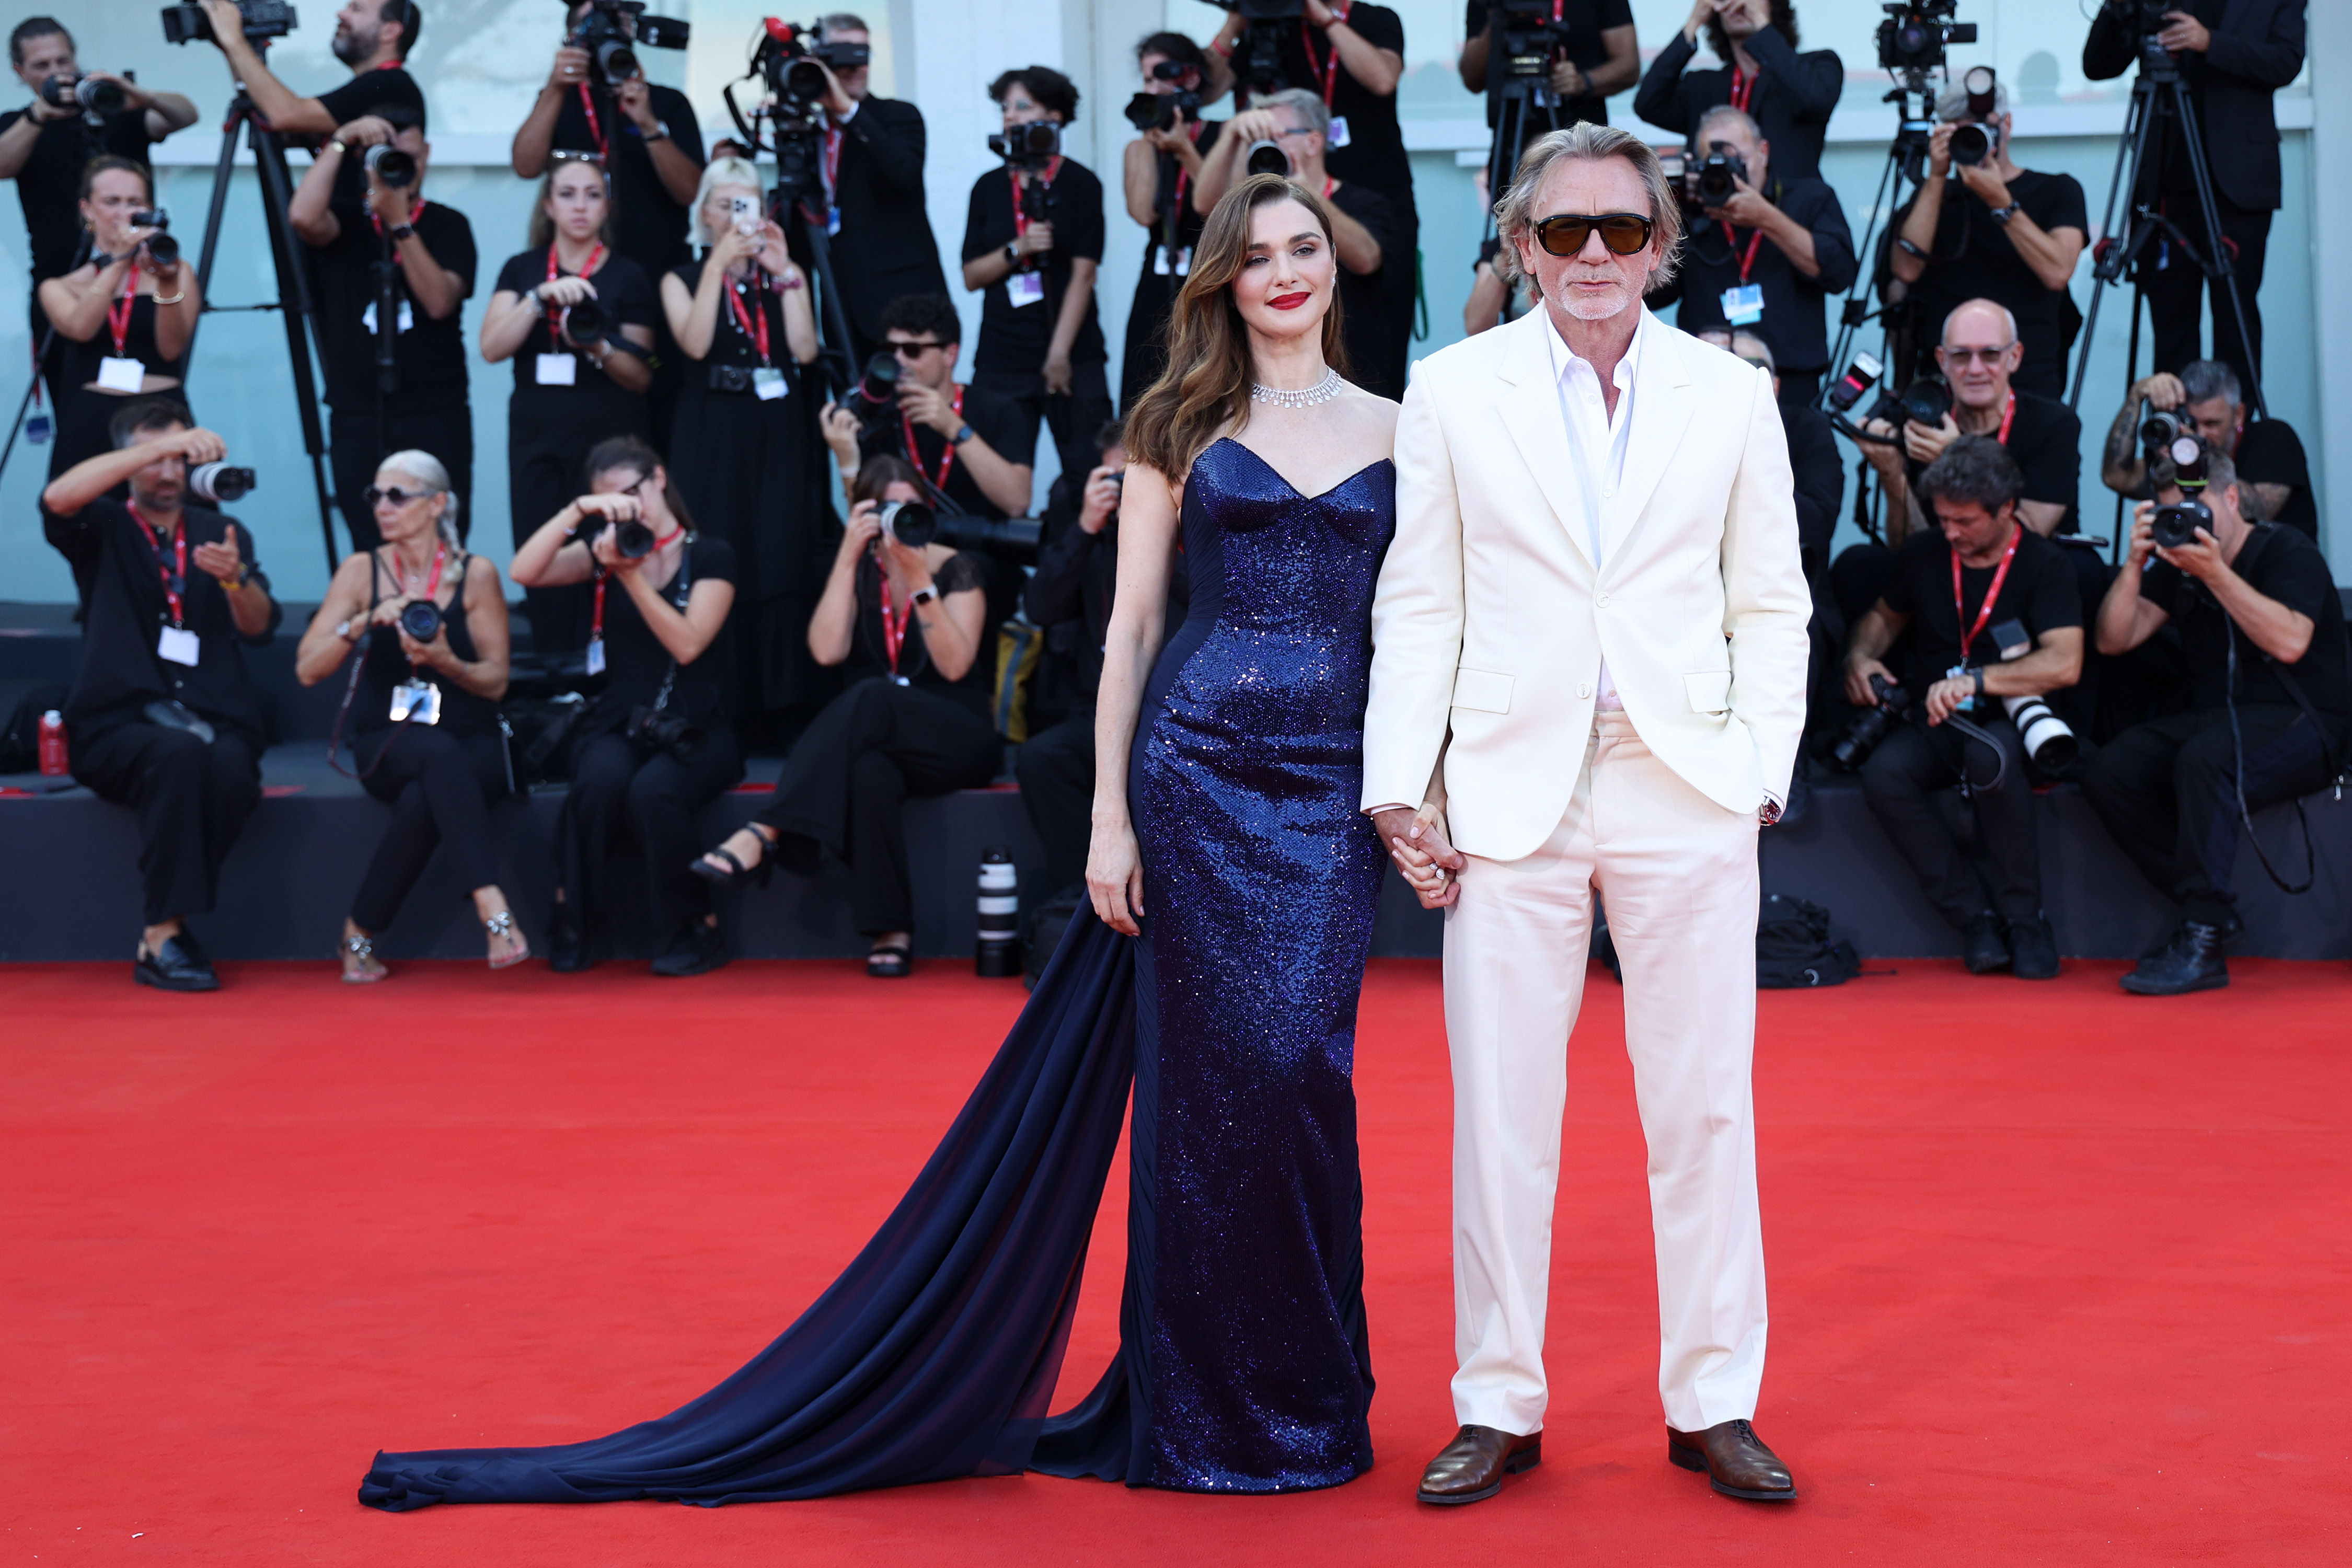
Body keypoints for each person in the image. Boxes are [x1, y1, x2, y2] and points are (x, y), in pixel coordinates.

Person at [360, 171, 1400, 1508]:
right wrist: (1105, 817)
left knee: (1300, 1081)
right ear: (1219, 278)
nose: (1282, 272)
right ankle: (1209, 1409)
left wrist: (1410, 785)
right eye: (1252, 254)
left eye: (1302, 246)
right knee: (1208, 1100)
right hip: (1193, 777)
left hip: (1324, 793)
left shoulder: (1403, 426)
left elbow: (1420, 621)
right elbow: (1132, 629)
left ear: (1332, 260)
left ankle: (1307, 1390)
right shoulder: (1175, 423)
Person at [1363, 124, 1809, 1507]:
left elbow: (1771, 603)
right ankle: (1496, 1400)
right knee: (1500, 1111)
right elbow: (1419, 599)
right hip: (1508, 784)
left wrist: (1757, 768)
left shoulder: (1728, 397)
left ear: (1663, 247)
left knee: (1705, 1111)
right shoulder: (1448, 393)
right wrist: (1397, 778)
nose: (1596, 256)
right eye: (1566, 234)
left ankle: (1712, 1398)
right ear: (1520, 248)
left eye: (1622, 231)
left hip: (1683, 785)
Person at [694, 456, 997, 977]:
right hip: (886, 740)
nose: (900, 517)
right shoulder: (858, 572)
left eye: (911, 505)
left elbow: (954, 665)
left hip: (958, 735)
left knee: (873, 696)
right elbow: (826, 651)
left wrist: (919, 580)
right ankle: (891, 928)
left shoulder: (958, 567)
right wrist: (847, 555)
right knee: (868, 770)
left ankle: (766, 830)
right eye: (886, 508)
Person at [2084, 442, 2348, 996]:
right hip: (2217, 716)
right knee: (2113, 768)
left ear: (2231, 498)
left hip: (2305, 720)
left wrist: (2214, 573)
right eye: (2172, 515)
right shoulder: (2175, 560)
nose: (2189, 524)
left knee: (2206, 760)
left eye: (2197, 509)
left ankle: (2202, 938)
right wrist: (2136, 563)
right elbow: (2115, 640)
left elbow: (2291, 642)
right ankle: (2205, 902)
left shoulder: (2286, 550)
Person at [43, 400, 280, 994]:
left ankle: (164, 933)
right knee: (178, 756)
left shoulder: (219, 530)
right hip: (116, 722)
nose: (170, 473)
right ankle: (164, 932)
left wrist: (235, 579)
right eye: (157, 460)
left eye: (180, 458)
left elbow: (259, 628)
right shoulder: (101, 525)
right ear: (130, 462)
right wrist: (151, 449)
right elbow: (57, 498)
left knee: (228, 772)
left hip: (215, 715)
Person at [1843, 437, 2083, 978]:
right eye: (1945, 519)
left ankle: (2026, 918)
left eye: (1965, 523)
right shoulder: (1929, 551)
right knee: (1884, 776)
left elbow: (2066, 663)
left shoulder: (2045, 565)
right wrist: (1860, 658)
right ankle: (1974, 916)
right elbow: (1884, 618)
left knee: (1991, 760)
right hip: (1933, 715)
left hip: (2009, 714)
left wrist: (1979, 679)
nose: (1951, 532)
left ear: (2005, 510)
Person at [510, 436, 742, 978]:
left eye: (633, 493)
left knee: (653, 791)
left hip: (697, 724)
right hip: (619, 718)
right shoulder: (601, 553)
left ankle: (696, 924)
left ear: (659, 479)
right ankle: (574, 914)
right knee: (599, 780)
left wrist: (630, 576)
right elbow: (525, 571)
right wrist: (577, 514)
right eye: (611, 502)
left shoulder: (711, 555)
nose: (630, 509)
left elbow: (687, 644)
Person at [293, 452, 526, 979]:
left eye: (398, 495)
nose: (383, 507)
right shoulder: (361, 570)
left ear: (437, 504)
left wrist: (446, 662)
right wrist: (361, 622)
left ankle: (358, 933)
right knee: (433, 756)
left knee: (431, 789)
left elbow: (497, 681)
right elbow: (307, 669)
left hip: (471, 733)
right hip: (394, 736)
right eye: (376, 495)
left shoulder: (477, 573)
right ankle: (491, 904)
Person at [661, 156, 828, 741]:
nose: (737, 217)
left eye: (748, 204)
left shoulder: (780, 277)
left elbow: (806, 351)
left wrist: (787, 275)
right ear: (705, 213)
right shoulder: (682, 277)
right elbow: (696, 341)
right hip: (712, 429)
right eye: (726, 205)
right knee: (721, 542)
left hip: (775, 427)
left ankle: (782, 706)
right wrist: (719, 268)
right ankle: (721, 704)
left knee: (778, 546)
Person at [2084, 0, 2306, 403]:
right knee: (2171, 324)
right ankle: (2170, 447)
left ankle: (2234, 450)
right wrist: (2116, 8)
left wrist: (2210, 43)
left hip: (2238, 187)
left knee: (2236, 323)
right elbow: (2098, 65)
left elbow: (2286, 62)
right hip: (2165, 186)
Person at [511, 0, 706, 453]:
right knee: (590, 415)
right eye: (588, 31)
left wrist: (649, 124)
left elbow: (690, 192)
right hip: (581, 287)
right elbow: (525, 164)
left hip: (658, 286)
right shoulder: (559, 101)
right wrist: (555, 87)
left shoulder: (667, 103)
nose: (601, 40)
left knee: (662, 417)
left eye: (611, 27)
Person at [480, 158, 657, 654]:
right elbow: (492, 347)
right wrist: (537, 300)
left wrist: (598, 346)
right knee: (543, 542)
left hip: (609, 440)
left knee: (608, 546)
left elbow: (645, 373)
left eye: (593, 195)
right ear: (549, 205)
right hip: (537, 437)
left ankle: (608, 663)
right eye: (569, 194)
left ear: (607, 206)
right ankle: (556, 668)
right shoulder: (523, 269)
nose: (580, 206)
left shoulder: (628, 275)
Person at [1014, 418, 1191, 902]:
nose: (1125, 491)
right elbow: (1040, 606)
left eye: (1132, 479)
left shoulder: (1187, 536)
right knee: (1042, 758)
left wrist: (1163, 528)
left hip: (1171, 712)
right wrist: (1085, 528)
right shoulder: (1086, 540)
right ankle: (1077, 897)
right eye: (1116, 479)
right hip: (1094, 709)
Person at [289, 100, 476, 554]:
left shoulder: (449, 225)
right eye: (383, 152)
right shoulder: (348, 221)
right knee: (368, 538)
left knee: (443, 537)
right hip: (358, 410)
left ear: (426, 154)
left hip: (434, 410)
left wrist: (400, 223)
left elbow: (438, 301)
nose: (395, 162)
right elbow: (302, 218)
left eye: (404, 152)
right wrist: (339, 141)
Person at [1212, 0, 1420, 395]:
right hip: (1282, 202)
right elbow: (1209, 89)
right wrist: (1236, 19)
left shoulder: (1374, 19)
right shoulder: (1264, 22)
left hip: (1371, 198)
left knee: (1378, 328)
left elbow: (1382, 79)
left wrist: (1322, 16)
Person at [0, 16, 198, 419]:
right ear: (20, 72)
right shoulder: (19, 125)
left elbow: (185, 115)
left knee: (159, 402)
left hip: (141, 277)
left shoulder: (118, 111)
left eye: (64, 61)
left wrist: (130, 93)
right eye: (42, 66)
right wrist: (40, 115)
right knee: (75, 407)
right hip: (64, 284)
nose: (58, 74)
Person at [37, 158, 204, 607]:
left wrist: (164, 278)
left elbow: (172, 349)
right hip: (94, 421)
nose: (124, 212)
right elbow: (80, 326)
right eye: (112, 202)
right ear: (88, 210)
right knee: (86, 529)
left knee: (179, 523)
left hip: (160, 414)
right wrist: (117, 263)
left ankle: (177, 616)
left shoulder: (177, 271)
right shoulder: (62, 284)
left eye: (136, 202)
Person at [1886, 73, 2088, 400]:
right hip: (1950, 379)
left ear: (2007, 124)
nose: (1974, 140)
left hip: (2029, 378)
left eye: (1982, 129)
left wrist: (2000, 201)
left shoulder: (2056, 191)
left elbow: (2058, 272)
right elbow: (1906, 271)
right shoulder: (1934, 198)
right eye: (1962, 132)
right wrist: (1937, 177)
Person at [959, 67, 1112, 490]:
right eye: (1005, 107)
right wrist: (1019, 248)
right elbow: (972, 275)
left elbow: (1085, 275)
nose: (1010, 116)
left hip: (1073, 351)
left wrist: (1059, 355)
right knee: (997, 477)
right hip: (1003, 354)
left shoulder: (1081, 183)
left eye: (1022, 106)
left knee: (1092, 473)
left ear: (1056, 116)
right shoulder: (988, 187)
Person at [1647, 103, 1852, 406]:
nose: (1727, 174)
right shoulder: (1688, 215)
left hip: (1790, 379)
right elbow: (1651, 292)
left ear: (1764, 152)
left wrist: (1766, 217)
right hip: (1705, 378)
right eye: (1712, 165)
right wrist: (1664, 208)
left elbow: (1839, 274)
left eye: (1736, 162)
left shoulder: (1809, 199)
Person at [1205, 88, 1400, 399]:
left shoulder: (1365, 202)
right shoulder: (1249, 211)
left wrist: (1307, 193)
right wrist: (1232, 138)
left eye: (1305, 250)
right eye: (1258, 259)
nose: (1266, 145)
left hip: (1359, 370)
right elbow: (1205, 207)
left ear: (1313, 141)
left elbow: (1367, 258)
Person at [801, 12, 951, 367]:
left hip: (903, 308)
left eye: (863, 54)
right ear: (819, 60)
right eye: (843, 54)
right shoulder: (808, 136)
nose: (856, 66)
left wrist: (850, 112)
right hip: (842, 305)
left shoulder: (898, 117)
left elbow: (902, 174)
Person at [823, 293, 1032, 525]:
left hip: (977, 554)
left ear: (950, 355)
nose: (899, 361)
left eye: (913, 350)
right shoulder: (881, 415)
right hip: (905, 552)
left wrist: (953, 427)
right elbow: (864, 531)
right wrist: (847, 463)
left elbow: (1017, 503)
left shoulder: (997, 410)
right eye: (892, 349)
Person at [195, 0, 425, 206]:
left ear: (390, 31)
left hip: (358, 249)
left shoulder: (389, 83)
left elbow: (285, 115)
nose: (341, 14)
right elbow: (267, 115)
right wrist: (233, 50)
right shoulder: (380, 85)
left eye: (356, 9)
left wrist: (236, 42)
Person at [1120, 31, 1227, 410]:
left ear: (1191, 77)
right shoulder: (1140, 148)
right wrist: (1152, 142)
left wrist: (1184, 149)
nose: (1155, 87)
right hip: (1157, 275)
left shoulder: (1224, 135)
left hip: (1213, 270)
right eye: (1148, 79)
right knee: (1144, 381)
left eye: (1163, 75)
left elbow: (1225, 207)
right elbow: (1142, 212)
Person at [2099, 358, 2315, 540]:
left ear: (2238, 414)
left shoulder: (2273, 439)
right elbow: (2117, 477)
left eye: (2212, 424)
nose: (2200, 435)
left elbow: (2257, 512)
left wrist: (2194, 456)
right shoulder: (2176, 451)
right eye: (2193, 423)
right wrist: (2136, 396)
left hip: (2271, 576)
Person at [1635, 1, 1841, 183]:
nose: (1740, 4)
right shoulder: (1703, 84)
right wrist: (1694, 22)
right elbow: (1648, 103)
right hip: (1716, 215)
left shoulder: (1816, 66)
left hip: (1790, 217)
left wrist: (1761, 23)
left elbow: (1815, 100)